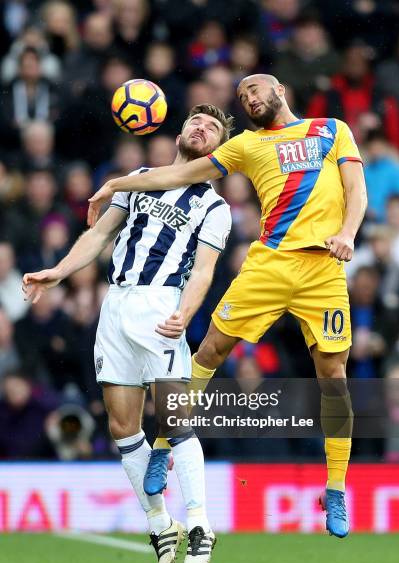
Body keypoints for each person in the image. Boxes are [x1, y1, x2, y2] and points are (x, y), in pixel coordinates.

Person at [88, 74, 368, 539]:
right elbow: (177, 174)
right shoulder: (245, 146)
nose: (248, 98)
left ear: (281, 89)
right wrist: (115, 184)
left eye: (254, 90)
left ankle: (335, 487)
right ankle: (162, 445)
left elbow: (356, 190)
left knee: (333, 376)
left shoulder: (332, 129)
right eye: (241, 97)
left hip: (324, 269)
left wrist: (348, 234)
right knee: (210, 350)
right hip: (270, 264)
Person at [23, 104, 233, 563]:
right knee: (122, 427)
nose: (201, 128)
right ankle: (161, 524)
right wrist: (59, 271)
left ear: (218, 149)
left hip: (161, 307)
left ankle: (200, 521)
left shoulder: (213, 206)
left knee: (175, 418)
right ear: (178, 131)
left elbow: (203, 270)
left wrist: (185, 313)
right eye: (196, 122)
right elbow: (100, 234)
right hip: (115, 307)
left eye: (213, 128)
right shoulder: (139, 178)